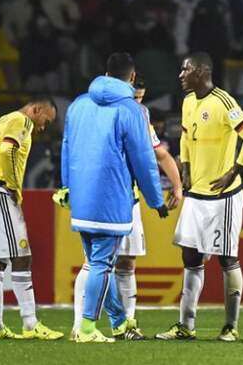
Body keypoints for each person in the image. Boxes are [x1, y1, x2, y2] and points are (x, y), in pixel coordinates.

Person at [60, 52, 167, 343]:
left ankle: (119, 322)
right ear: (132, 78)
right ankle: (86, 329)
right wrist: (156, 199)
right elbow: (144, 159)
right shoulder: (130, 110)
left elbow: (67, 147)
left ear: (106, 73)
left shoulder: (78, 104)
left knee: (96, 264)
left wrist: (66, 186)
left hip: (81, 199)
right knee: (102, 265)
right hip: (111, 199)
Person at [157, 52, 243, 342]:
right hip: (197, 194)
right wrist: (186, 169)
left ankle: (230, 326)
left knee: (227, 259)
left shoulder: (224, 102)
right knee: (190, 256)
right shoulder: (189, 101)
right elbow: (185, 137)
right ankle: (186, 325)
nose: (181, 74)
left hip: (223, 195)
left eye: (186, 69)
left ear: (202, 71)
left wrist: (233, 171)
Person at [0, 98, 61, 340]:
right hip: (0, 193)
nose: (43, 127)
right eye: (46, 121)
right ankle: (30, 323)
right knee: (22, 257)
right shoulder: (22, 120)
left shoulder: (1, 121)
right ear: (36, 109)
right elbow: (7, 150)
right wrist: (11, 185)